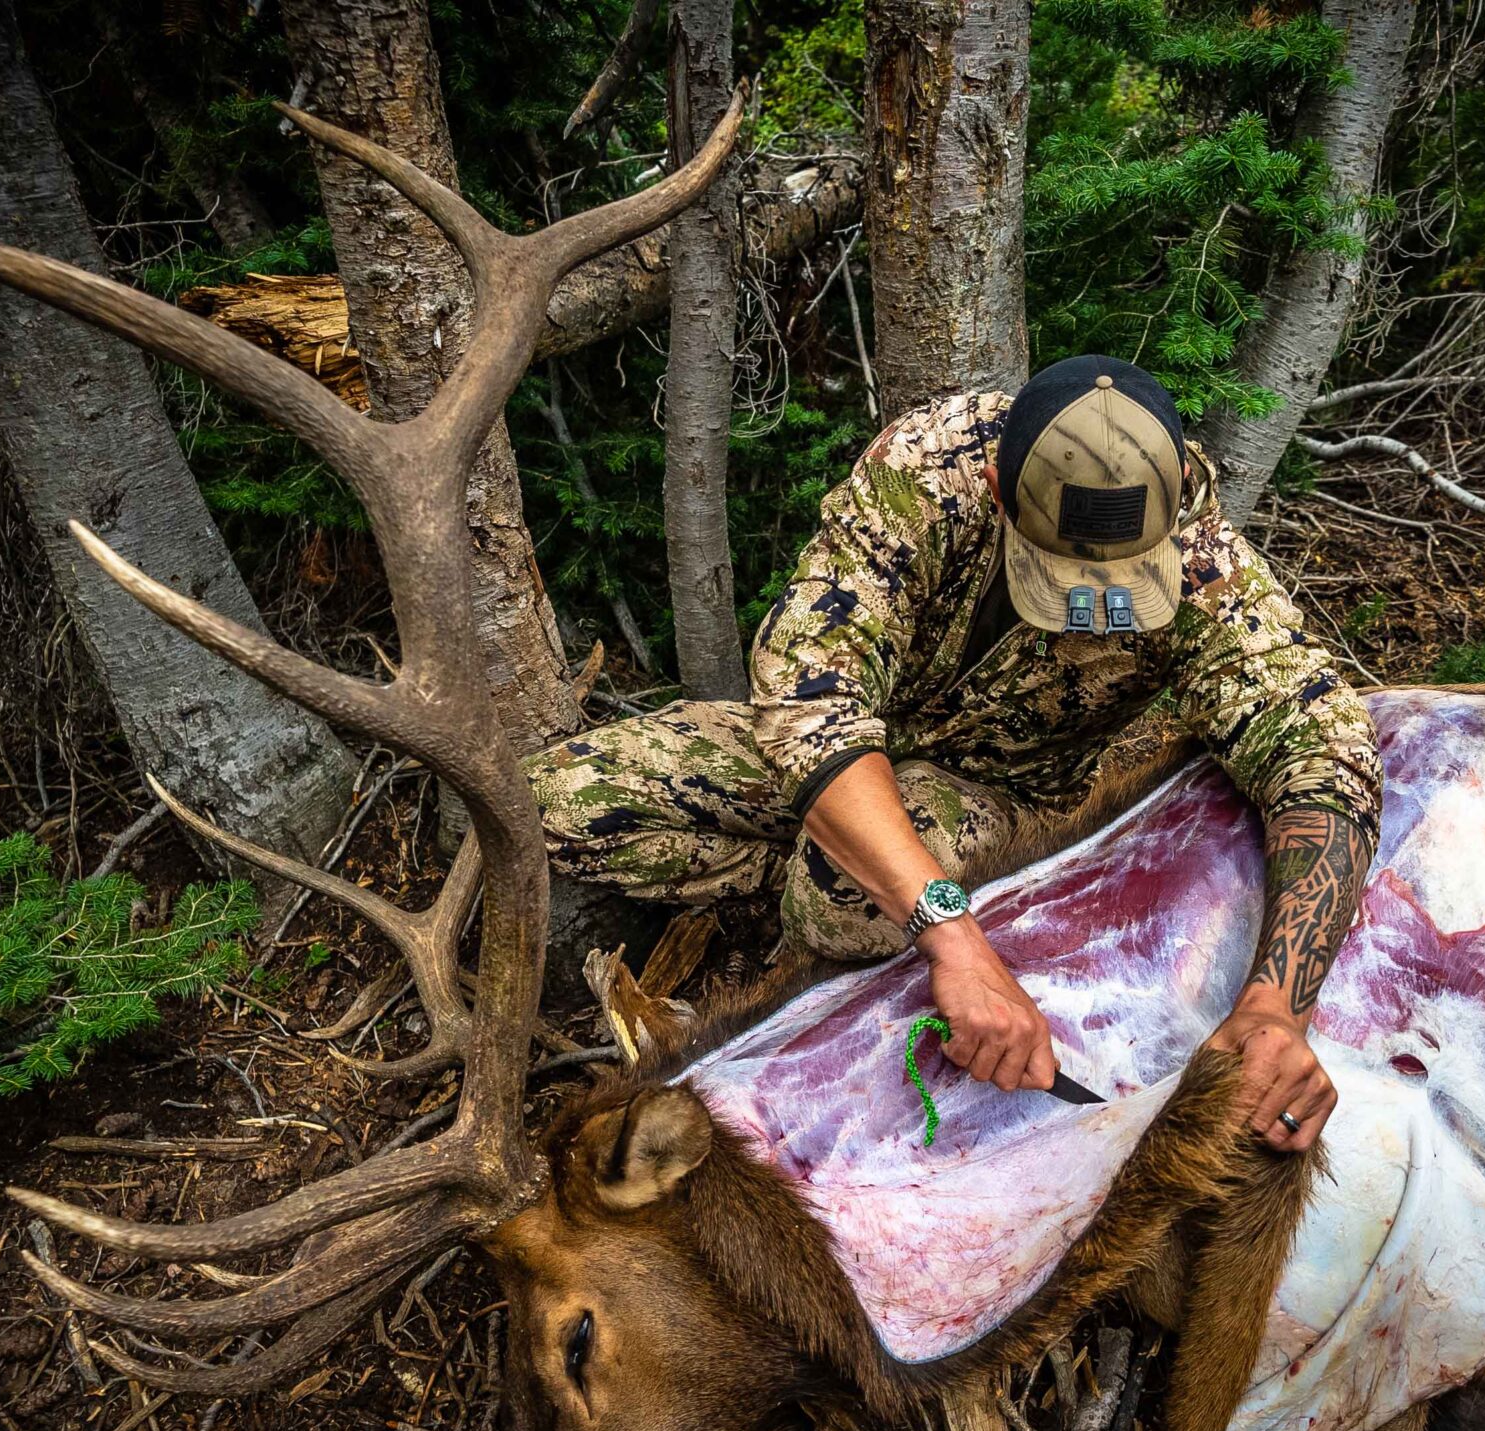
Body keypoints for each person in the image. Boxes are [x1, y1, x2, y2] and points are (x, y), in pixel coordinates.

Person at [529, 356, 1383, 1150]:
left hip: (1001, 802)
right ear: (998, 491)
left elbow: (1325, 748)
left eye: (1119, 585)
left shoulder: (1198, 557)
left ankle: (844, 883)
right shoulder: (926, 474)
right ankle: (842, 869)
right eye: (1062, 576)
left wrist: (1279, 1002)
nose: (1087, 610)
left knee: (841, 897)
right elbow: (808, 700)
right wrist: (955, 939)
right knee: (562, 800)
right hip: (848, 759)